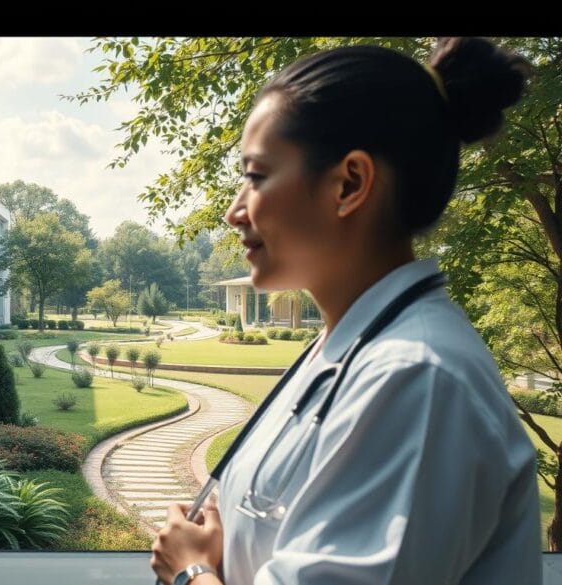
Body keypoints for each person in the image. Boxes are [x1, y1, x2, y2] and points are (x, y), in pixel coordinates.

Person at [150, 38, 539, 585]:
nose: (234, 210)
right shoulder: (346, 350)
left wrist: (190, 572)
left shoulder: (417, 380)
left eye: (257, 176)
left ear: (349, 184)